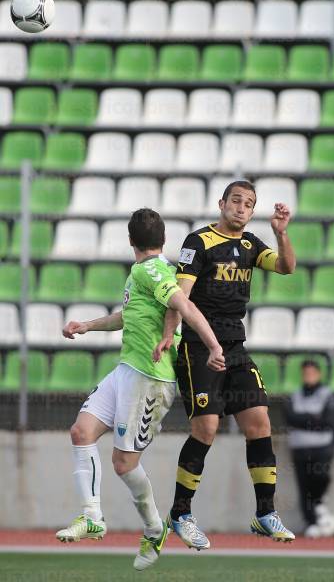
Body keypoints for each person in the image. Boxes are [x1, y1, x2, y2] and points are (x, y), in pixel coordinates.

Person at [55, 208, 225, 571]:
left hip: (150, 377)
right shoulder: (144, 273)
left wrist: (213, 346)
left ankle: (153, 528)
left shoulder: (152, 270)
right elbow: (127, 314)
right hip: (126, 370)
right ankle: (92, 517)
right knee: (81, 431)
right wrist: (87, 325)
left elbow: (183, 304)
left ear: (130, 240)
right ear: (161, 240)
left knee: (123, 463)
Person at [153, 180, 296, 549]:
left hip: (235, 346)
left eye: (249, 203)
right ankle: (180, 512)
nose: (242, 207)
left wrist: (281, 234)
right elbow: (179, 298)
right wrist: (170, 334)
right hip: (199, 346)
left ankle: (265, 513)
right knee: (207, 428)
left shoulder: (251, 245)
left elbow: (285, 267)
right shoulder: (198, 242)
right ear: (222, 203)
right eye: (236, 200)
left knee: (260, 421)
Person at [285, 360, 334, 538]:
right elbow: (290, 418)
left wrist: (303, 419)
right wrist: (313, 418)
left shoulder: (328, 394)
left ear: (319, 374)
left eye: (311, 372)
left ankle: (319, 505)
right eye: (305, 373)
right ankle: (312, 523)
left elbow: (328, 421)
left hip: (321, 447)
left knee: (320, 477)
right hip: (299, 448)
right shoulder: (294, 395)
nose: (308, 376)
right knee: (303, 486)